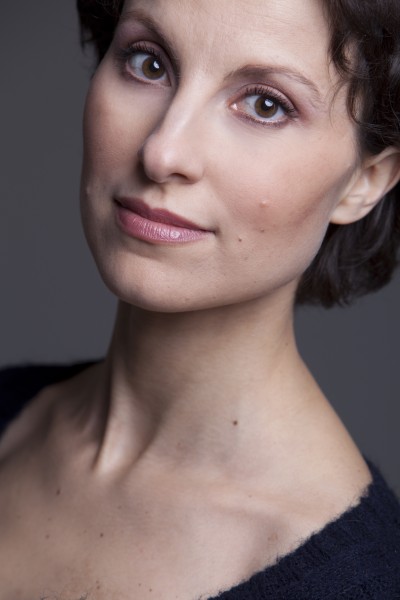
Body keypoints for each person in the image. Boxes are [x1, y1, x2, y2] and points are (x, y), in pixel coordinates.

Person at [0, 0, 399, 598]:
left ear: (364, 181)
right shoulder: (10, 414)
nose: (162, 153)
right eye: (148, 63)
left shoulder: (361, 583)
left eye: (265, 105)